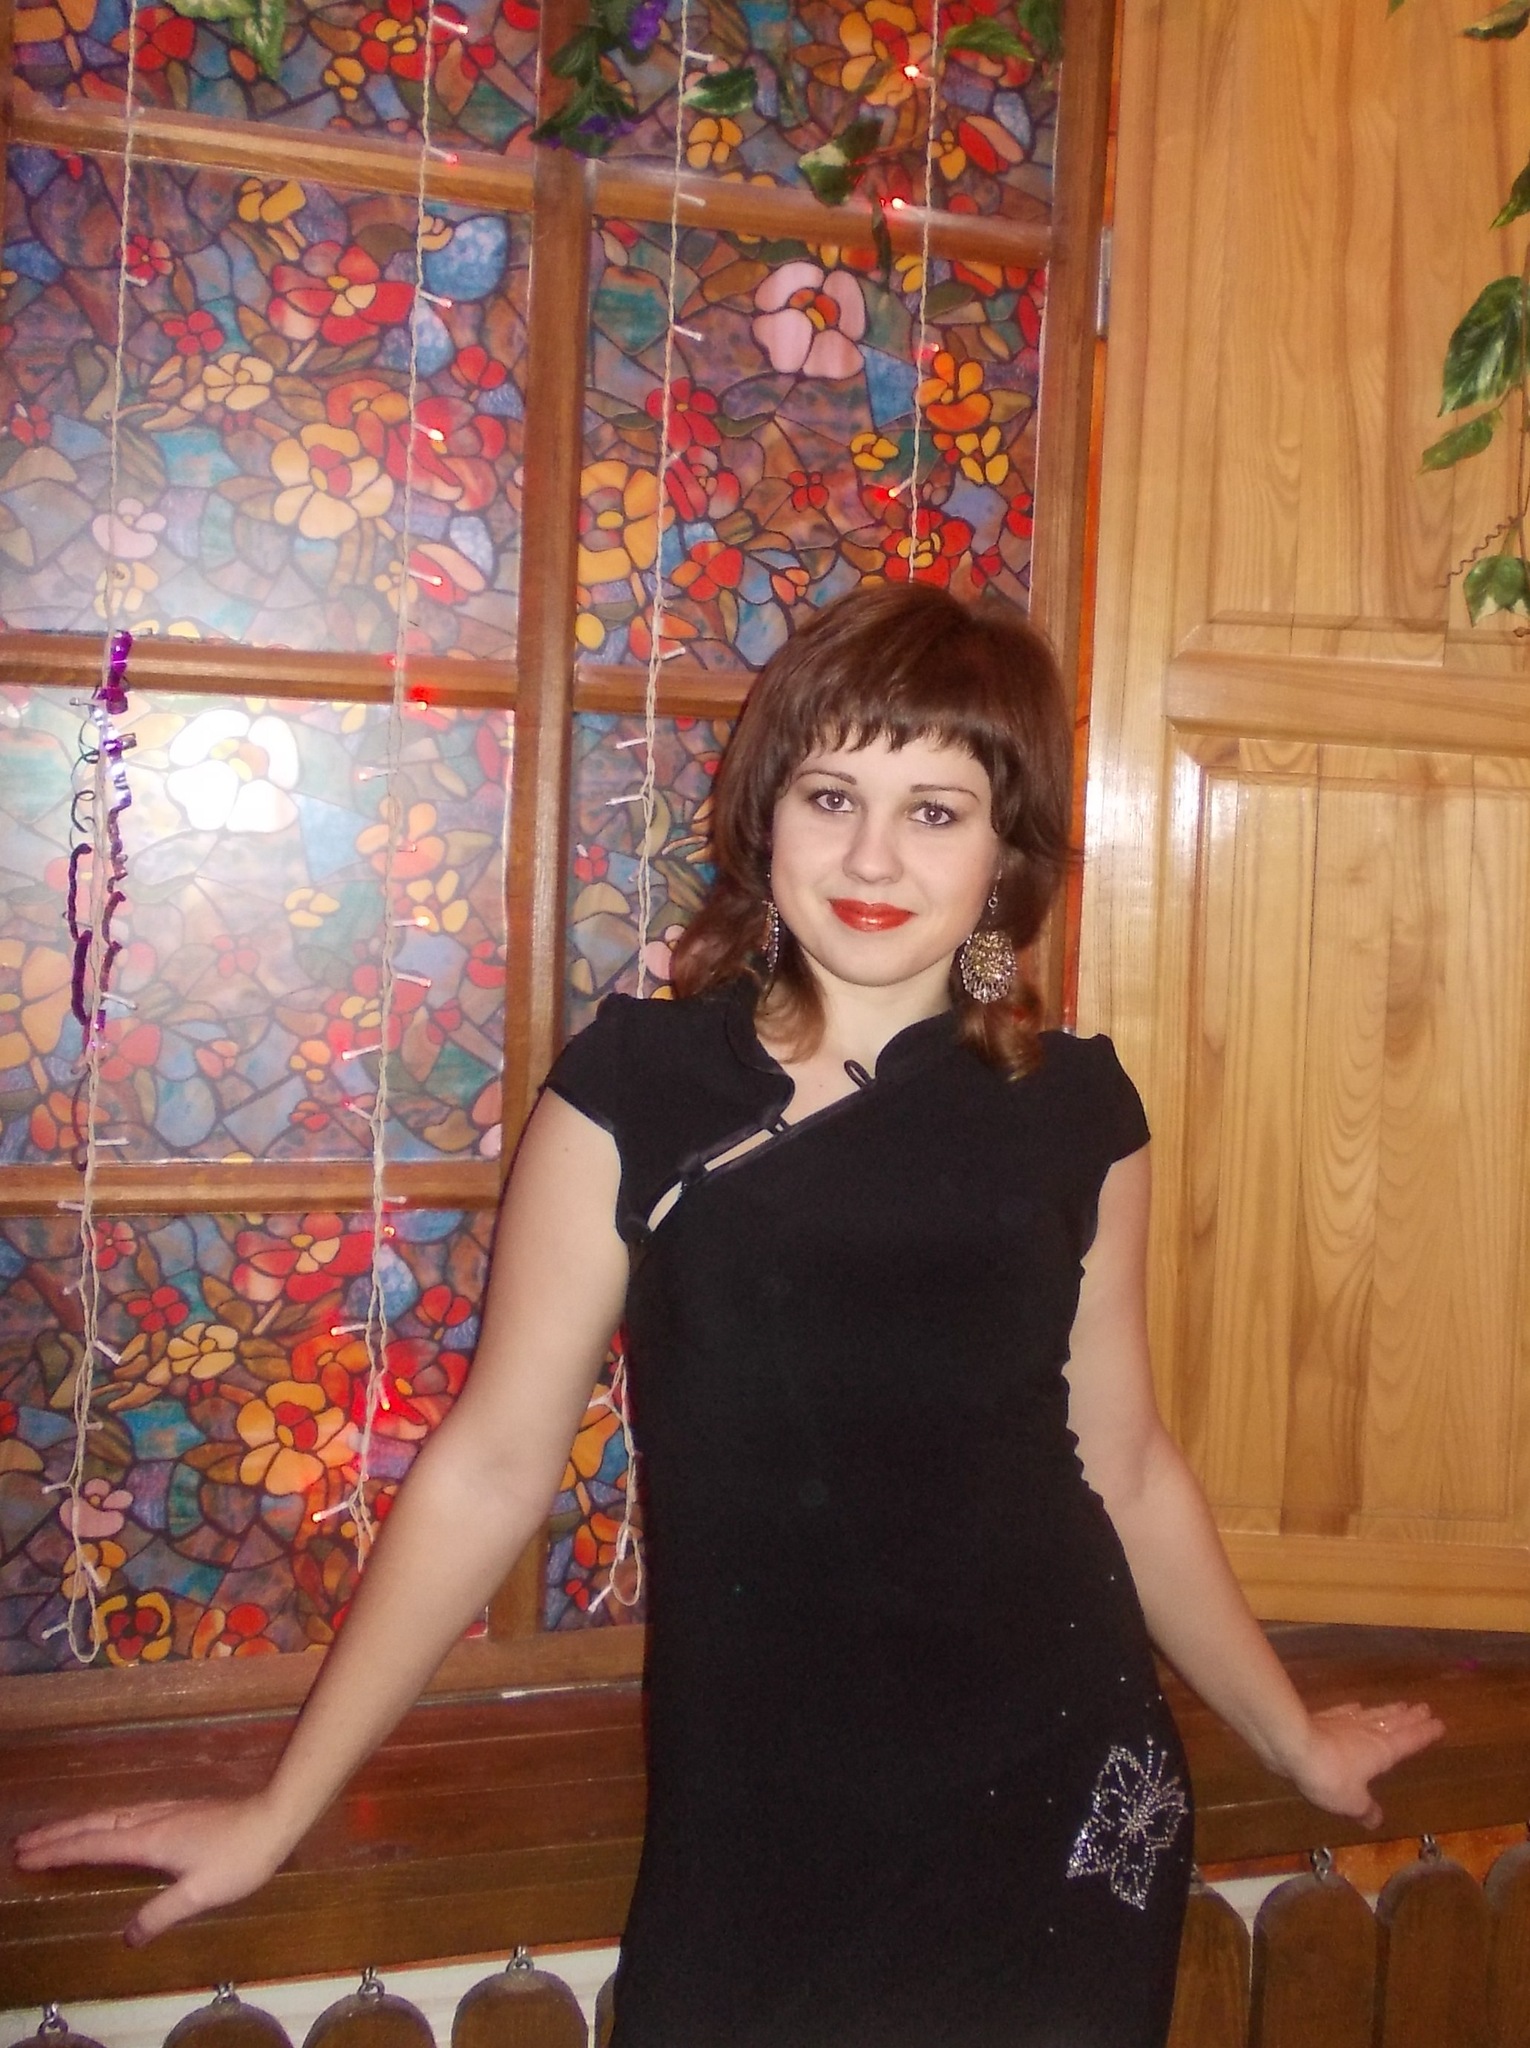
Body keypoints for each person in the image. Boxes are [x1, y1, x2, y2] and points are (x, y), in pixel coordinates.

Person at [16, 584, 1442, 2047]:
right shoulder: (638, 1087)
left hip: (1058, 1789)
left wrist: (1290, 1734)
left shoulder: (1075, 1109)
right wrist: (279, 1809)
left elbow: (1125, 1465)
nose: (873, 857)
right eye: (832, 797)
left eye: (936, 811)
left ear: (1006, 853)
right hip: (760, 1816)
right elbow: (494, 1465)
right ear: (766, 818)